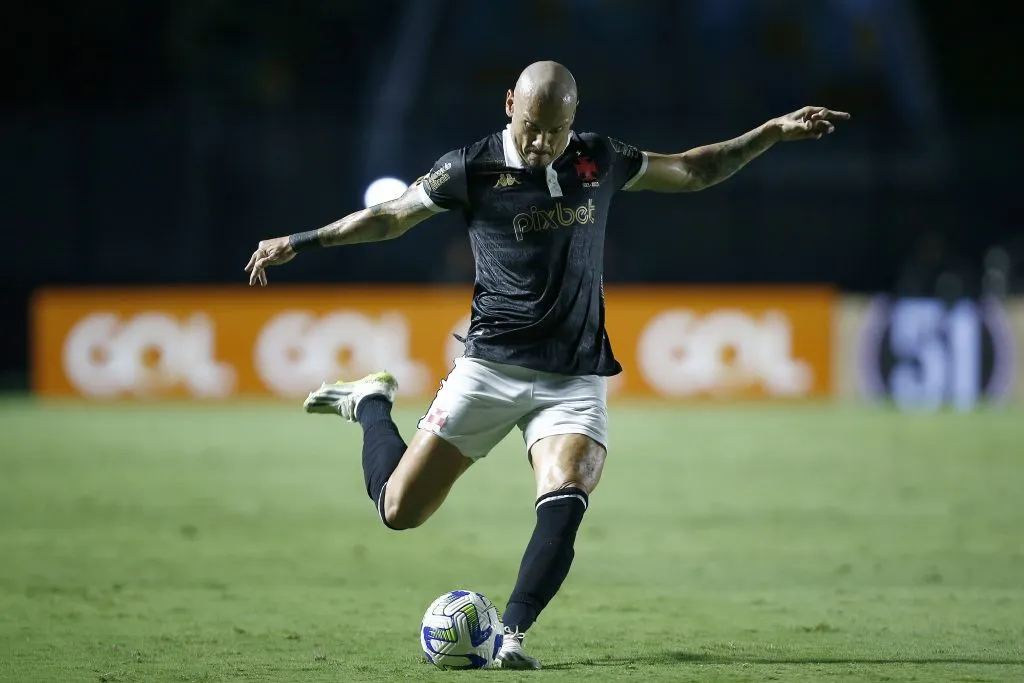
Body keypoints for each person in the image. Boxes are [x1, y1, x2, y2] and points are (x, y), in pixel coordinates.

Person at [244, 61, 849, 669]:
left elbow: (693, 170)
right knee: (398, 512)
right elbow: (390, 217)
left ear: (574, 120)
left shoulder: (598, 160)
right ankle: (372, 401)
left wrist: (769, 132)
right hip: (489, 368)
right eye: (532, 126)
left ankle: (510, 636)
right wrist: (302, 240)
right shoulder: (470, 168)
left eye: (556, 130)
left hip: (574, 378)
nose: (542, 143)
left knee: (565, 494)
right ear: (510, 104)